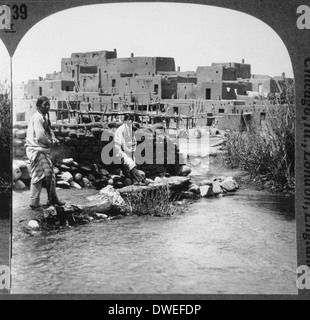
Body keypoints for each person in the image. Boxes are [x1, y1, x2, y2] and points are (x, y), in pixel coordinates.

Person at [25, 96, 65, 209]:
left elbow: (49, 130)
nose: (47, 107)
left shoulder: (44, 117)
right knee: (38, 176)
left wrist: (53, 137)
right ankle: (34, 203)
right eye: (45, 105)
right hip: (37, 150)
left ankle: (52, 199)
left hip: (42, 150)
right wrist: (50, 143)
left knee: (50, 175)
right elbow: (40, 136)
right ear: (38, 106)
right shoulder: (37, 118)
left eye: (48, 105)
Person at [114, 114, 146, 185]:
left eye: (131, 120)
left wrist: (132, 149)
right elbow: (121, 143)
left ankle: (128, 177)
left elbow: (134, 141)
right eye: (129, 120)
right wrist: (127, 150)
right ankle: (140, 180)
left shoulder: (130, 130)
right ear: (125, 121)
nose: (130, 122)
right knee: (131, 164)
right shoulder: (121, 130)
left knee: (131, 164)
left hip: (129, 150)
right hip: (121, 151)